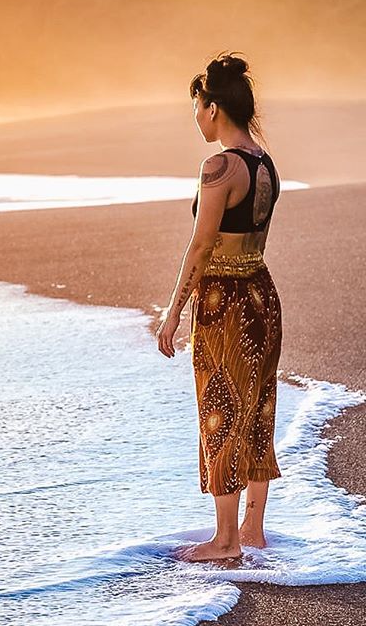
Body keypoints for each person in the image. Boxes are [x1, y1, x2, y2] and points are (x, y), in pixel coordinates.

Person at [155, 52, 283, 563]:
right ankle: (253, 529)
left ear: (212, 108)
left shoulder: (220, 166)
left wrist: (173, 312)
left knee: (221, 411)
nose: (195, 117)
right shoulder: (263, 162)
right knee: (258, 408)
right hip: (262, 295)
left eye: (197, 106)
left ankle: (226, 540)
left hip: (224, 301)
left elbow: (201, 245)